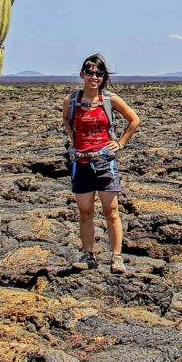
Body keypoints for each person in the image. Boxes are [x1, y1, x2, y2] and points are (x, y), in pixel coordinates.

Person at [62, 54, 140, 274]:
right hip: (81, 162)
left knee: (111, 211)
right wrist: (72, 141)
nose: (94, 77)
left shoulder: (109, 99)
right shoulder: (71, 100)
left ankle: (116, 257)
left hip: (105, 162)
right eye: (89, 72)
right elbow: (66, 120)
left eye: (98, 73)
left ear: (104, 76)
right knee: (85, 212)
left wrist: (120, 143)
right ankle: (89, 255)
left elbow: (134, 120)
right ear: (82, 75)